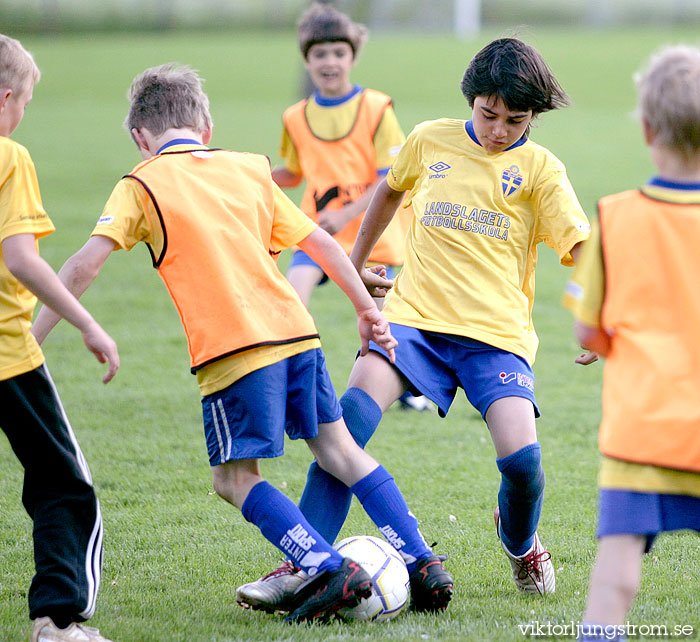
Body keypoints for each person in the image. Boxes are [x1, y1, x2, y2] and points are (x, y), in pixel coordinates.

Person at [32, 63, 453, 623]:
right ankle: (422, 559)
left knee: (233, 480)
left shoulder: (140, 183)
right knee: (340, 451)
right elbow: (324, 244)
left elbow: (84, 264)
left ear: (140, 138)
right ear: (205, 126)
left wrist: (33, 339)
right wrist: (365, 311)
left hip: (233, 353)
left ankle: (326, 568)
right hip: (298, 336)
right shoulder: (249, 169)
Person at [237, 36, 592, 609]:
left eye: (516, 120)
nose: (500, 129)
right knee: (344, 428)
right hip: (413, 322)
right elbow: (387, 192)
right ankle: (300, 563)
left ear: (534, 116)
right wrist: (353, 273)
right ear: (471, 99)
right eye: (489, 114)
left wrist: (602, 315)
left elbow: (580, 244)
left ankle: (520, 542)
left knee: (523, 464)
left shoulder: (540, 169)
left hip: (495, 337)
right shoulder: (430, 140)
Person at [564, 45, 700, 642]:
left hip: (641, 431)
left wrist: (607, 340)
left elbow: (586, 329)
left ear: (645, 127)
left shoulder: (614, 220)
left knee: (616, 573)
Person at [0, 34, 119, 642]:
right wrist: (86, 321)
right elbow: (21, 259)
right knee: (62, 484)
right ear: (6, 98)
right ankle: (58, 621)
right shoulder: (9, 155)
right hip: (7, 356)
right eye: (26, 102)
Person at [276, 2, 431, 412]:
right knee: (292, 302)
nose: (330, 62)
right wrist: (243, 174)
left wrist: (345, 215)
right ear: (306, 59)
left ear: (353, 56)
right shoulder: (295, 117)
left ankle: (407, 388)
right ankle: (295, 383)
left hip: (372, 235)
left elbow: (389, 177)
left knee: (384, 325)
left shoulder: (376, 108)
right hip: (315, 234)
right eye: (319, 54)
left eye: (338, 53)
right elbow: (292, 174)